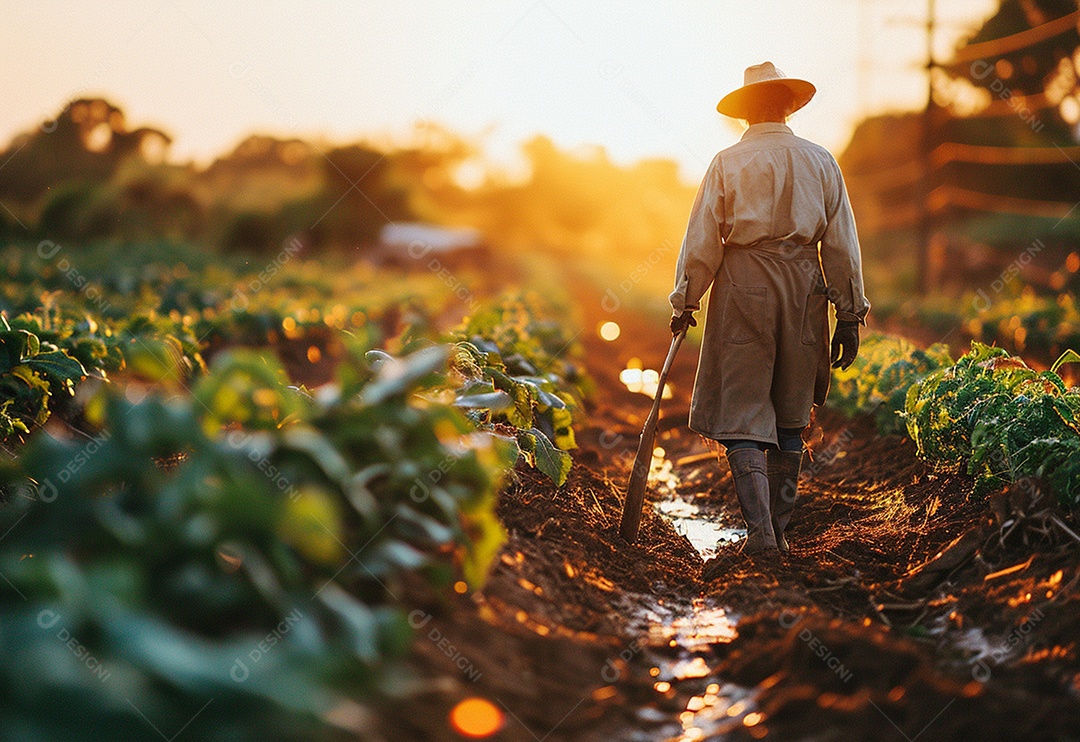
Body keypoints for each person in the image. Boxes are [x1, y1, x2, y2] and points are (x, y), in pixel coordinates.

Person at [668, 62, 870, 558]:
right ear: (786, 106)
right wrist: (848, 312)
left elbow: (702, 242)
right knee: (790, 414)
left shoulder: (726, 163)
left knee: (741, 411)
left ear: (745, 114)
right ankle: (777, 534)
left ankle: (761, 539)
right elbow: (841, 244)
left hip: (742, 286)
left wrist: (686, 301)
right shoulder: (821, 161)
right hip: (805, 287)